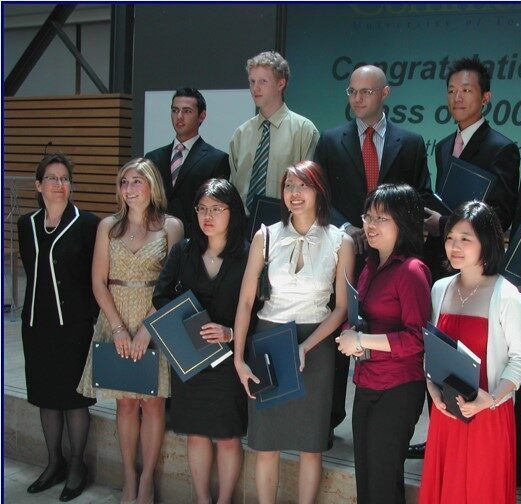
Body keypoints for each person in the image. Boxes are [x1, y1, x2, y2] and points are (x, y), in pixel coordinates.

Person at [412, 56, 521, 460]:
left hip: (480, 271)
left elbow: (505, 211)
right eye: (452, 90)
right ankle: (437, 427)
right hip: (447, 270)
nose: (457, 97)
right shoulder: (442, 145)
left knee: (485, 357)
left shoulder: (502, 148)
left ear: (486, 98)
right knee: (441, 352)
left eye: (467, 90)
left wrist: (448, 224)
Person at [314, 64, 432, 432]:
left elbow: (419, 196)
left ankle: (393, 415)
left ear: (385, 93)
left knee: (391, 327)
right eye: (352, 92)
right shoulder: (331, 140)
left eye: (366, 92)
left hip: (392, 257)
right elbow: (320, 195)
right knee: (340, 323)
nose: (357, 99)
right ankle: (331, 418)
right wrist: (349, 226)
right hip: (346, 246)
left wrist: (391, 230)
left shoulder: (410, 143)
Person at [234, 160, 355, 503]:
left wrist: (305, 346)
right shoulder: (266, 235)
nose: (295, 194)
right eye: (289, 186)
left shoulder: (340, 240)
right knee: (265, 442)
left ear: (320, 191)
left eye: (304, 186)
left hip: (316, 341)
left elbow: (342, 308)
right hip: (269, 338)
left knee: (311, 444)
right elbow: (245, 302)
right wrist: (240, 359)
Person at [77, 158, 184, 504]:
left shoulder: (171, 226)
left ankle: (147, 481)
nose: (129, 189)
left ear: (152, 185)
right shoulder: (108, 226)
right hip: (116, 317)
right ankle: (128, 477)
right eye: (124, 182)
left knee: (152, 405)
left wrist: (147, 331)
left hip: (155, 319)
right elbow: (97, 281)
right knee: (125, 404)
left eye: (137, 181)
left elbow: (172, 283)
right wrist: (120, 329)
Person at [152, 178, 248, 504]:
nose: (208, 216)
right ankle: (202, 499)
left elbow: (260, 308)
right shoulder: (184, 250)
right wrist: (185, 326)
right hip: (190, 356)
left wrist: (231, 333)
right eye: (202, 209)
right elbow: (161, 295)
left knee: (227, 437)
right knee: (195, 434)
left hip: (229, 359)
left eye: (217, 209)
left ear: (232, 212)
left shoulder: (248, 255)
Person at [419, 201, 521, 504]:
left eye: (465, 238)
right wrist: (433, 392)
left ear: (486, 243)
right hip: (447, 415)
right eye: (450, 237)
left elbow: (519, 360)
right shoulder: (440, 288)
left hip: (488, 415)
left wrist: (490, 399)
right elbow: (432, 351)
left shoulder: (507, 295)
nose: (454, 245)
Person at [336, 183, 431, 504]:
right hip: (366, 382)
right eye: (368, 217)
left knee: (383, 481)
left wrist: (363, 340)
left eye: (381, 218)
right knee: (366, 477)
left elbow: (417, 339)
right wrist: (355, 334)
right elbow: (358, 312)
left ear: (402, 222)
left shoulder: (412, 271)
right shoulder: (370, 264)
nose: (370, 226)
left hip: (398, 388)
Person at [17, 153, 99, 501]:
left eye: (65, 178)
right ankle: (54, 463)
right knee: (45, 398)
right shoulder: (26, 224)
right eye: (52, 178)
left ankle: (77, 466)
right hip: (37, 324)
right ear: (38, 185)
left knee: (74, 400)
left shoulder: (88, 224)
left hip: (74, 326)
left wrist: (92, 318)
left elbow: (96, 277)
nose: (59, 184)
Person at [229, 51, 319, 213]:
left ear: (280, 84)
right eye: (252, 81)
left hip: (285, 223)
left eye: (263, 81)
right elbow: (234, 186)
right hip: (242, 224)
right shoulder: (241, 134)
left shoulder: (303, 130)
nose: (255, 88)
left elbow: (311, 187)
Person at [145, 87, 230, 233]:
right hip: (155, 237)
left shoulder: (217, 159)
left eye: (187, 111)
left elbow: (217, 207)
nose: (179, 116)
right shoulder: (153, 158)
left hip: (194, 241)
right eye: (175, 110)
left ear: (201, 116)